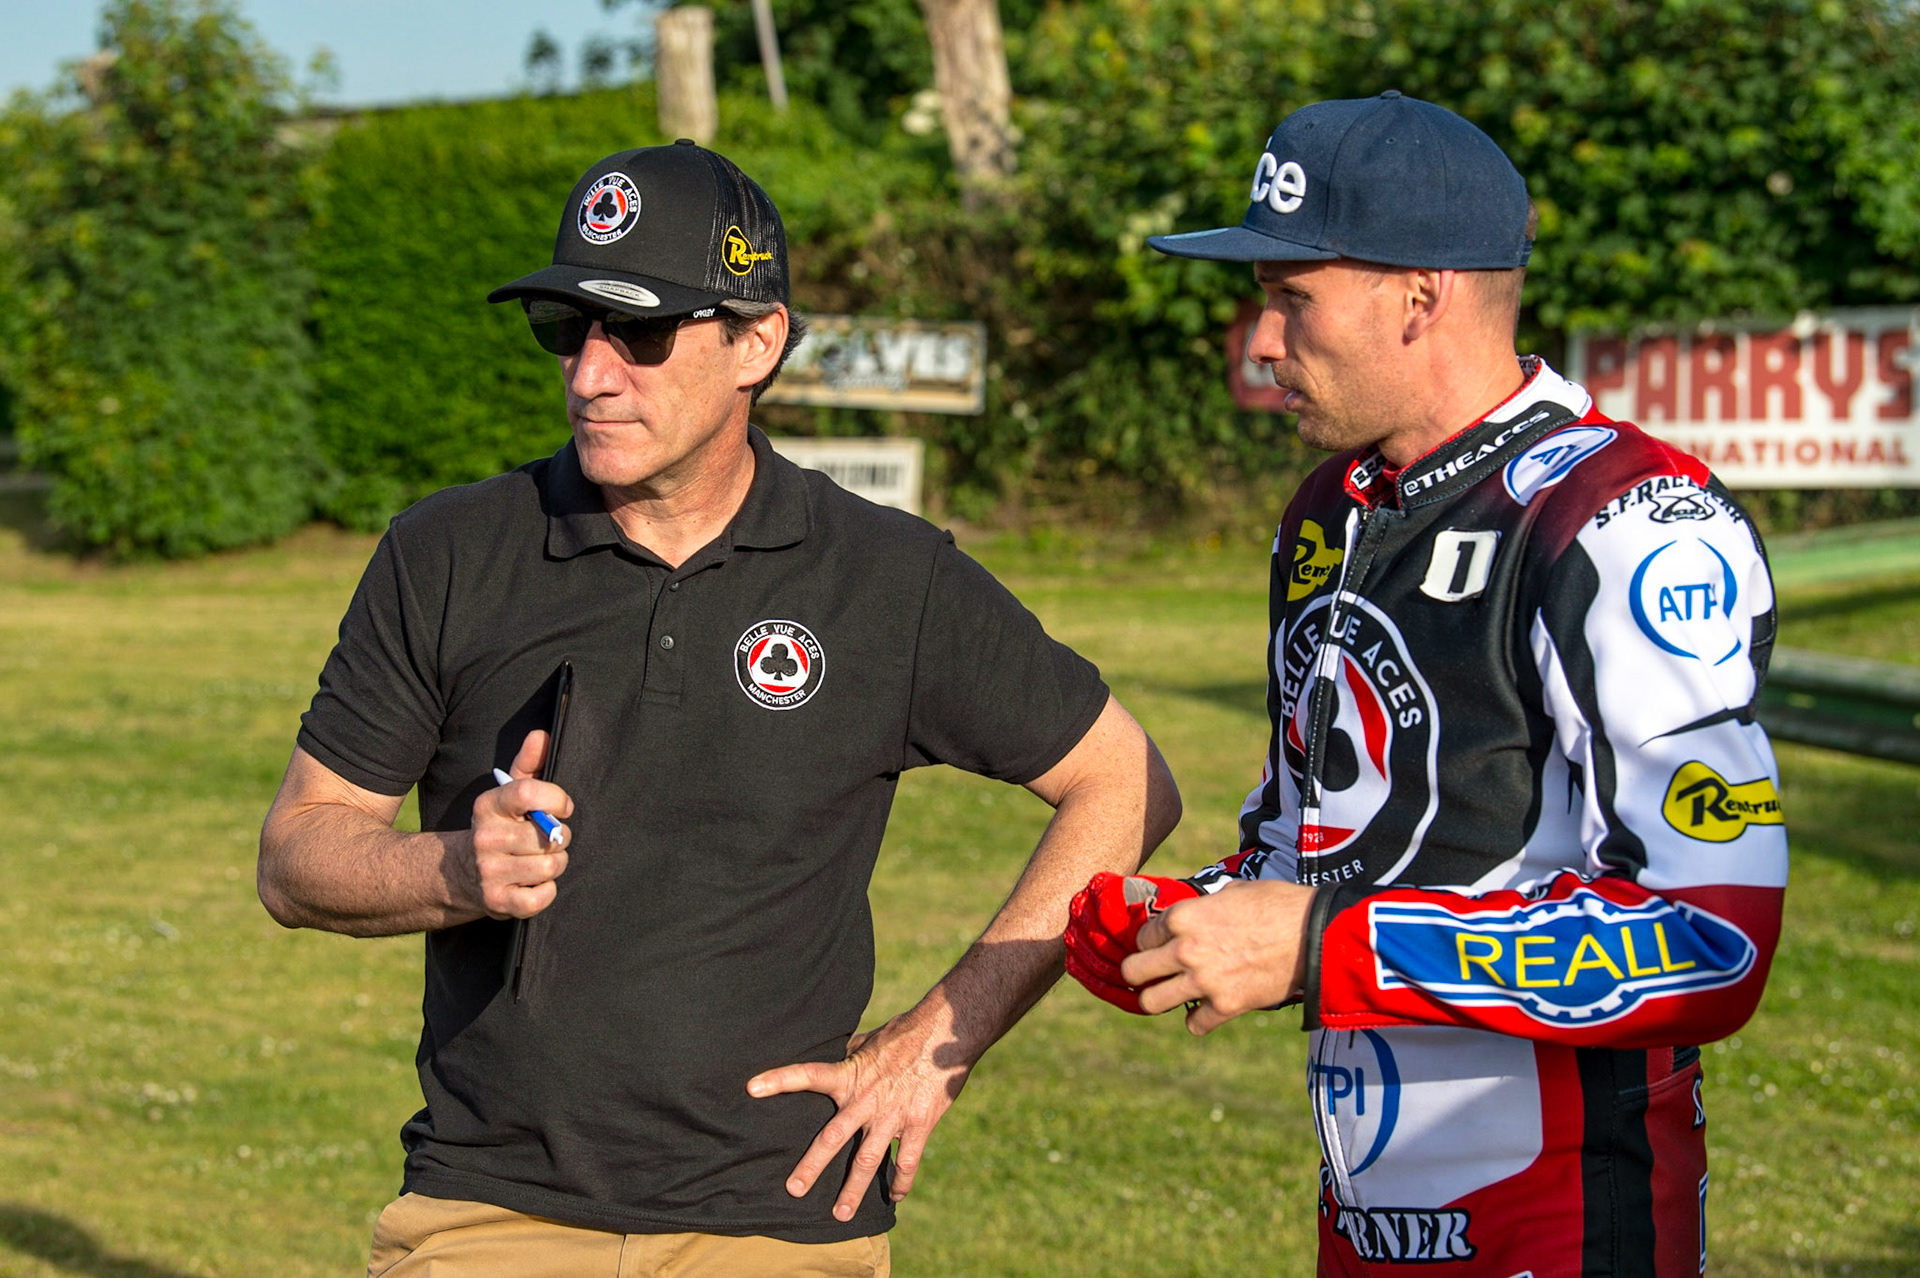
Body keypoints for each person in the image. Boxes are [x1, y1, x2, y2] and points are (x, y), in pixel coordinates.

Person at [258, 140, 1181, 1278]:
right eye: (567, 329)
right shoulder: (448, 554)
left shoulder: (888, 577)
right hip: (490, 1209)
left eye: (639, 333)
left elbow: (1125, 778)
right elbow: (297, 853)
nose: (592, 373)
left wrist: (939, 1040)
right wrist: (453, 868)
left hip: (779, 1221)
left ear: (758, 341)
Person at [1063, 92, 1787, 1276]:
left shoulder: (1626, 519)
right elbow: (1310, 845)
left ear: (1421, 297)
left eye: (1290, 298)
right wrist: (1177, 918)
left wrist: (1314, 948)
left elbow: (1711, 936)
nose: (1258, 340)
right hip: (1364, 1210)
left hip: (1565, 1223)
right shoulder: (1328, 514)